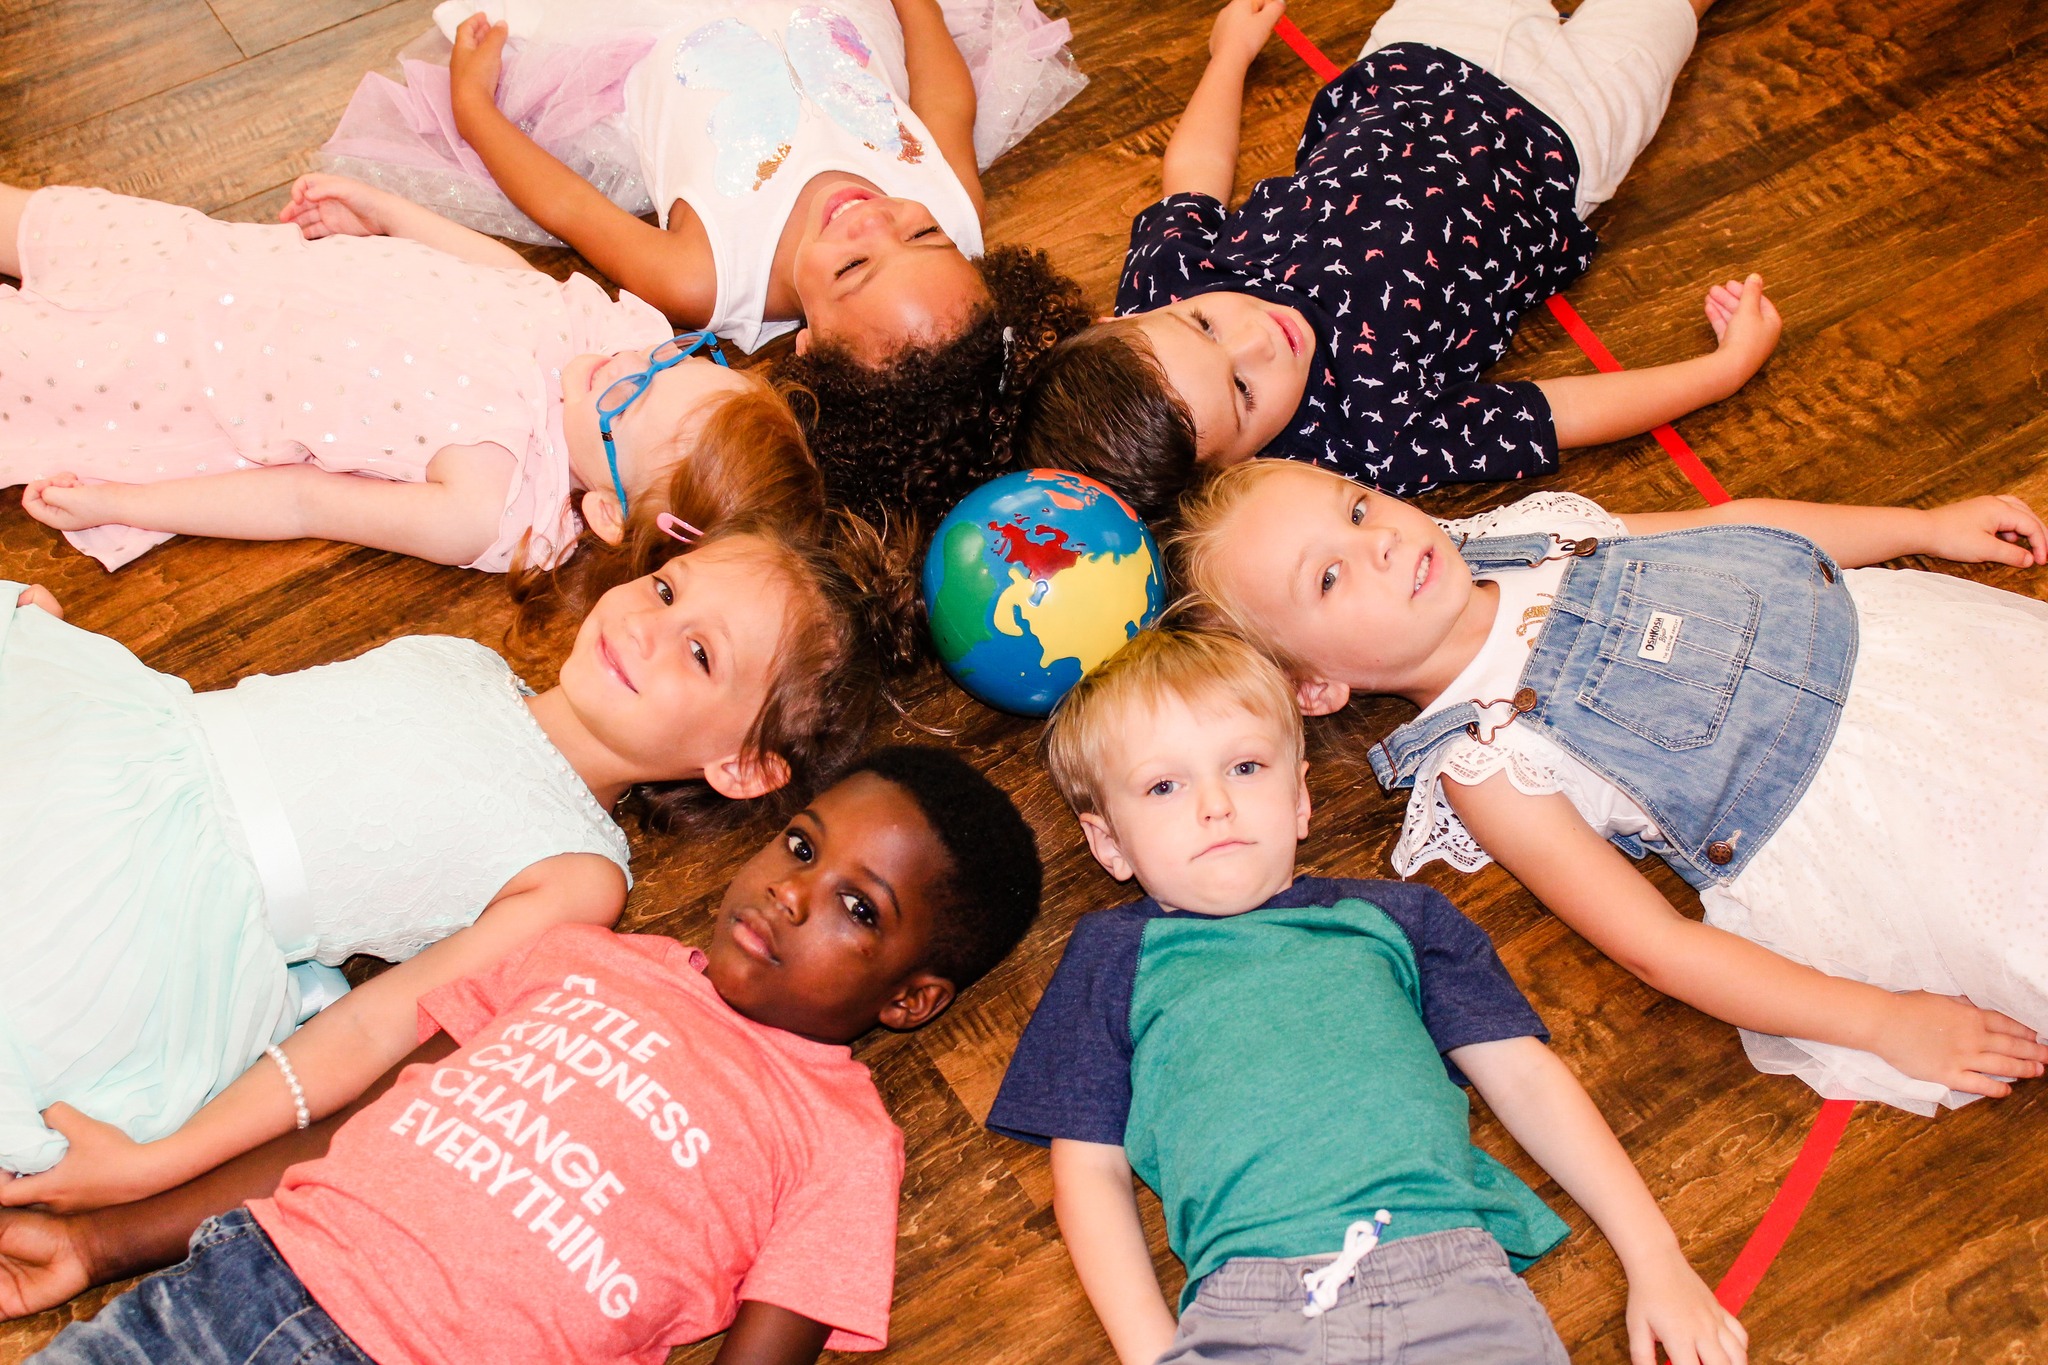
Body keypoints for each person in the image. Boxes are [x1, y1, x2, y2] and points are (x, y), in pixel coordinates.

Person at [0, 748, 1046, 1364]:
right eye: (802, 846)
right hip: (223, 1291)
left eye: (857, 908)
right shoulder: (582, 958)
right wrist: (104, 1244)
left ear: (911, 998)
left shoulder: (839, 1142)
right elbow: (358, 1126)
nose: (791, 889)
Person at [0, 510, 917, 1209]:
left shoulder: (578, 875)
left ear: (744, 765)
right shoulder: (462, 657)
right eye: (668, 589)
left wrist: (155, 1167)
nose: (644, 625)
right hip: (121, 754)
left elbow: (366, 1032)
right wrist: (67, 672)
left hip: (151, 911)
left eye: (700, 653)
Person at [1171, 460, 2048, 1115]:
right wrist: (1884, 1021)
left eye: (1357, 507)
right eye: (1327, 577)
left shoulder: (1536, 531)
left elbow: (1736, 528)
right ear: (1317, 687)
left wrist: (1922, 524)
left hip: (1922, 656)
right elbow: (1655, 945)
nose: (1379, 541)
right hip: (1876, 819)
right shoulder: (1487, 759)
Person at [987, 628, 1746, 1365]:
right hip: (1244, 1309)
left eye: (1246, 767)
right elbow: (1088, 1170)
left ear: (1299, 801)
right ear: (1109, 844)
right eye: (1163, 784)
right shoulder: (1110, 961)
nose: (1214, 803)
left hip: (1453, 1278)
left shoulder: (1398, 919)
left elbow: (1525, 1077)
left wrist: (1656, 1257)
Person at [1018, 0, 1782, 521]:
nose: (1258, 335)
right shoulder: (1370, 440)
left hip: (1424, 51)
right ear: (1236, 470)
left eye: (1206, 325)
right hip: (1566, 133)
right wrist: (1722, 373)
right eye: (1245, 392)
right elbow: (1560, 413)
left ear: (1134, 313)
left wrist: (1231, 54)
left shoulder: (1162, 283)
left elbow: (1192, 177)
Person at [431, 0, 1090, 526]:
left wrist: (474, 111)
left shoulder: (706, 274)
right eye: (922, 234)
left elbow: (570, 208)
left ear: (809, 347)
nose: (873, 219)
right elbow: (946, 102)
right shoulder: (949, 200)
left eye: (853, 267)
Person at [2, 177, 817, 574]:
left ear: (606, 507)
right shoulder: (602, 338)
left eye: (633, 397)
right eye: (676, 356)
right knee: (46, 223)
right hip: (225, 260)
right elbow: (498, 271)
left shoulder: (482, 501)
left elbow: (301, 498)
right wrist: (390, 215)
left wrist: (123, 502)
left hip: (181, 380)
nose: (632, 361)